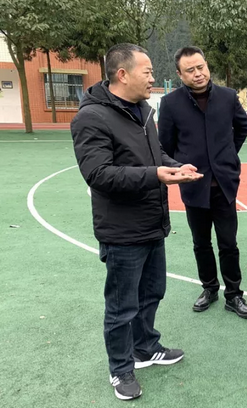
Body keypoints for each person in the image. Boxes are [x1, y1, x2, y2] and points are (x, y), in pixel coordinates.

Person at [71, 43, 203, 401]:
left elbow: (154, 155)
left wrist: (173, 165)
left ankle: (145, 348)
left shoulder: (142, 109)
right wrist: (156, 175)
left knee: (152, 292)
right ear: (122, 74)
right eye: (147, 71)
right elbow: (99, 174)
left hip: (151, 222)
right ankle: (120, 368)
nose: (152, 77)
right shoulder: (91, 118)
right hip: (121, 231)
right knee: (121, 307)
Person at [158, 46, 247, 318]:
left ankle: (234, 295)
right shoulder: (170, 103)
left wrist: (227, 156)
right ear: (180, 74)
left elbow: (242, 127)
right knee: (201, 243)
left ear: (207, 66)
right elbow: (165, 145)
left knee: (228, 243)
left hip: (224, 186)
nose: (198, 73)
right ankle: (209, 288)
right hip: (193, 186)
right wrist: (180, 166)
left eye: (201, 67)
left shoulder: (228, 97)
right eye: (190, 70)